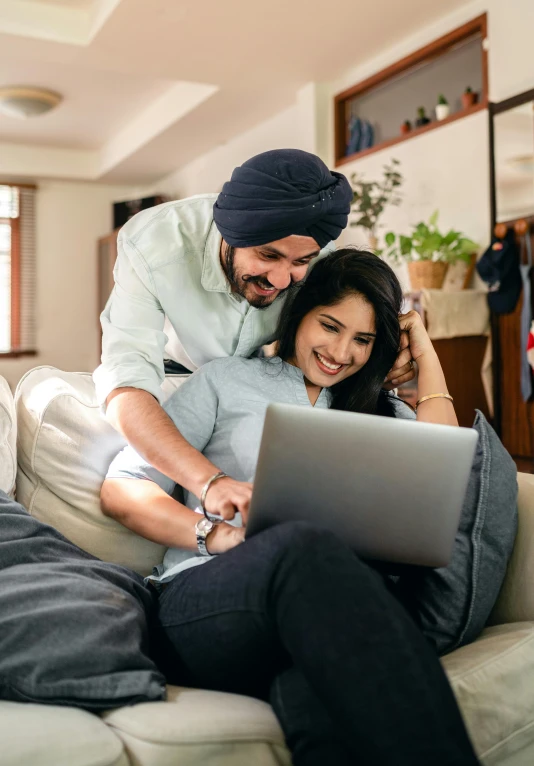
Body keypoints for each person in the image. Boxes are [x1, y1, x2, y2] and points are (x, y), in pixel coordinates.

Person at [100, 249, 479, 766]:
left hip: (321, 620)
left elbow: (445, 483)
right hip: (206, 602)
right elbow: (122, 488)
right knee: (305, 544)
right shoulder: (225, 380)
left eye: (364, 340)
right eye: (330, 326)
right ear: (301, 311)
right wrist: (214, 533)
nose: (341, 352)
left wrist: (427, 356)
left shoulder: (384, 410)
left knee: (322, 698)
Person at [94, 150, 415, 524]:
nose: (281, 281)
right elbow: (127, 380)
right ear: (230, 233)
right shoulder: (154, 244)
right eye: (267, 255)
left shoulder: (319, 255)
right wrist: (211, 483)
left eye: (299, 263)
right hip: (176, 373)